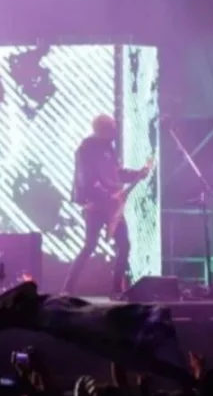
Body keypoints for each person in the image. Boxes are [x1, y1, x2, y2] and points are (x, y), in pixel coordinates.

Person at [63, 114, 152, 296]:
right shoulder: (85, 149)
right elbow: (86, 179)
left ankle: (116, 289)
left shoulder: (109, 148)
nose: (115, 130)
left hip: (112, 206)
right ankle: (67, 288)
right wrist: (105, 196)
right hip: (96, 206)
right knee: (90, 245)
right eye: (111, 127)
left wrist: (137, 174)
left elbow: (117, 173)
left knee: (124, 245)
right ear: (101, 129)